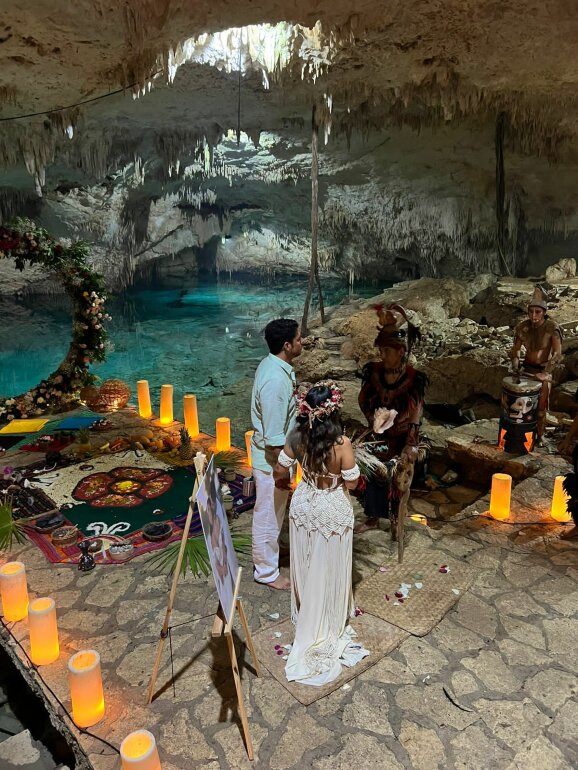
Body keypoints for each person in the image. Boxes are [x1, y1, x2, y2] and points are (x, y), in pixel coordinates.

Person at [273, 381, 368, 686]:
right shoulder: (342, 444)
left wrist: (289, 482)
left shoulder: (297, 436)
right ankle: (326, 615)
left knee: (307, 560)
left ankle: (306, 610)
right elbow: (352, 483)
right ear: (334, 411)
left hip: (303, 504)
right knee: (329, 563)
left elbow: (281, 467)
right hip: (331, 508)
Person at [355, 303, 427, 534]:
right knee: (370, 470)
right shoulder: (374, 371)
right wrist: (373, 419)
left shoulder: (413, 378)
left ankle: (396, 518)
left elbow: (416, 411)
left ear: (400, 351)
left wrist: (411, 443)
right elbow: (362, 398)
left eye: (387, 350)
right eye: (381, 350)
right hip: (378, 435)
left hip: (402, 437)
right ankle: (373, 515)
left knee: (397, 474)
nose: (382, 355)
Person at [250, 318, 302, 590]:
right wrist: (282, 472)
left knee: (275, 511)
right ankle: (266, 571)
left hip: (277, 459)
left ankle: (269, 556)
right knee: (268, 515)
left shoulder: (274, 365)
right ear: (287, 345)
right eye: (299, 339)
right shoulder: (275, 382)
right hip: (272, 461)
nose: (301, 342)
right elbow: (273, 439)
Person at [509, 285, 563, 445]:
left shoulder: (552, 328)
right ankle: (519, 434)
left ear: (544, 312)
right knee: (517, 407)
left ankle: (540, 436)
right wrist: (516, 366)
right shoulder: (522, 327)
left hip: (542, 371)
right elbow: (516, 350)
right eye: (531, 311)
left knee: (540, 411)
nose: (534, 315)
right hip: (526, 369)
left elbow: (557, 353)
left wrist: (546, 372)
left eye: (538, 312)